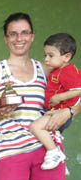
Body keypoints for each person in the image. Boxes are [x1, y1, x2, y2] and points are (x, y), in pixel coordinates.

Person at [0, 12, 80, 180]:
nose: (19, 38)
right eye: (13, 33)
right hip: (10, 150)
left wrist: (69, 112)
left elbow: (78, 90)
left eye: (24, 33)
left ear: (32, 36)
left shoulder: (47, 69)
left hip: (48, 151)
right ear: (6, 38)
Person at [30, 33, 81, 170]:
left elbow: (79, 90)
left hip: (61, 112)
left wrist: (60, 97)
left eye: (51, 55)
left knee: (35, 127)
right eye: (45, 55)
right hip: (53, 110)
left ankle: (55, 153)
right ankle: (61, 164)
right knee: (50, 135)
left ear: (67, 57)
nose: (46, 59)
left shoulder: (68, 71)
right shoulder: (57, 70)